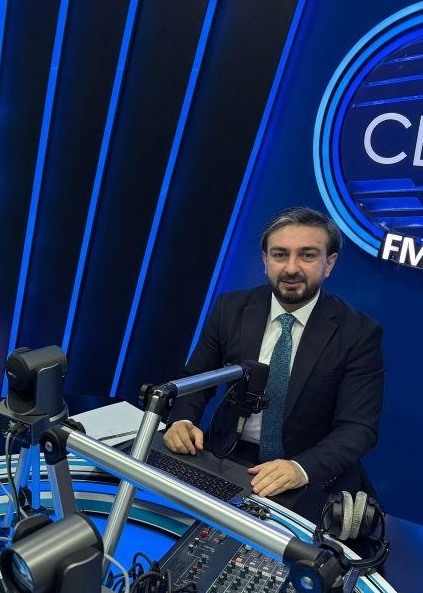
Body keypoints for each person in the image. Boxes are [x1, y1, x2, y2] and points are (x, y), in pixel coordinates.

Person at [164, 207, 383, 498]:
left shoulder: (358, 333)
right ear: (265, 260)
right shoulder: (230, 309)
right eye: (280, 255)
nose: (291, 268)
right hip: (228, 456)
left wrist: (301, 468)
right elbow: (194, 380)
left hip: (304, 471)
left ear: (329, 263)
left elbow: (358, 427)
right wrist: (182, 421)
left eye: (307, 255)